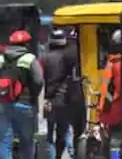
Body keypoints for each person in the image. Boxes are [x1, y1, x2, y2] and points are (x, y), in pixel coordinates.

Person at [0, 30, 45, 159]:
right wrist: (33, 95)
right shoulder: (29, 59)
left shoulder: (0, 58)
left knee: (5, 141)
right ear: (26, 43)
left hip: (4, 104)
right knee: (27, 142)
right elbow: (39, 80)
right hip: (25, 104)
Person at [41, 29, 82, 159]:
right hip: (65, 99)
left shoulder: (44, 57)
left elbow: (40, 80)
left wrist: (45, 99)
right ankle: (69, 154)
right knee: (63, 132)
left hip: (49, 101)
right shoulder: (69, 57)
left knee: (50, 135)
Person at [97, 31, 122, 139]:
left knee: (115, 146)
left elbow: (107, 91)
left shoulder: (112, 64)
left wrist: (102, 113)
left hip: (117, 113)